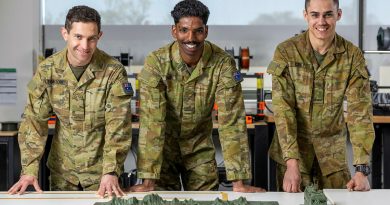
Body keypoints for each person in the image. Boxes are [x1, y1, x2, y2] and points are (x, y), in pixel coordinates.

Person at [130, 0, 265, 192]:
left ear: (206, 31)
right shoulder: (157, 62)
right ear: (174, 31)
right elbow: (153, 121)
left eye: (198, 31)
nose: (191, 38)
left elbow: (232, 122)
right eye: (184, 30)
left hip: (200, 150)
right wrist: (148, 180)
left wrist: (239, 183)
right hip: (162, 153)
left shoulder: (222, 64)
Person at [8, 5, 133, 198]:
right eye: (78, 37)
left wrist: (111, 170)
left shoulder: (113, 71)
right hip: (62, 174)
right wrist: (29, 170)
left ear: (99, 36)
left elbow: (118, 125)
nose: (85, 46)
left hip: (102, 176)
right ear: (65, 33)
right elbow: (34, 122)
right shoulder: (47, 70)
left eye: (91, 38)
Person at [267, 0, 375, 192]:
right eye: (315, 14)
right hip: (294, 157)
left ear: (338, 15)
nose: (321, 21)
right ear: (306, 15)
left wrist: (362, 170)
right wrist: (292, 163)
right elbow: (283, 110)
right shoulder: (286, 52)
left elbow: (360, 114)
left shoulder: (351, 55)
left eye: (328, 14)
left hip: (332, 160)